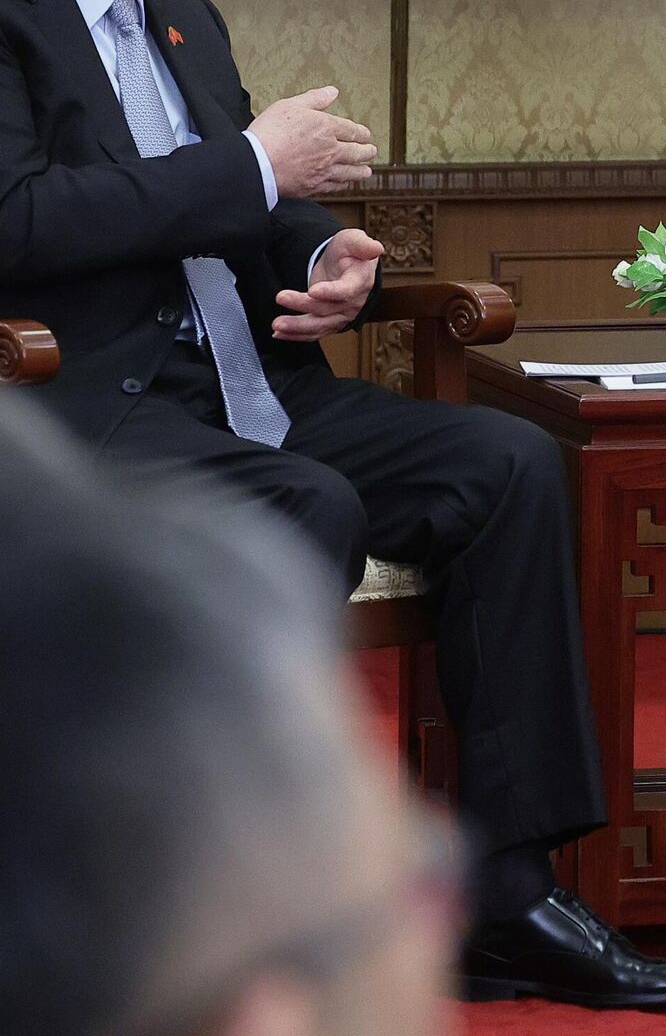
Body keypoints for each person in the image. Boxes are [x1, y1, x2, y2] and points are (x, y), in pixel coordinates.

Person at [0, 0, 666, 1010]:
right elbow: (20, 218)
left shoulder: (181, 18)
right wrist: (248, 165)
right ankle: (226, 910)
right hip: (86, 410)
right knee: (308, 500)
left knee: (508, 467)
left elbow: (242, 203)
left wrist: (322, 247)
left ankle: (507, 893)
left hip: (253, 387)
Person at [0, 395, 458, 1036]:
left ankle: (525, 898)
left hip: (274, 386)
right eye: (429, 883)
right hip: (103, 391)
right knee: (314, 500)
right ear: (264, 1013)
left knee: (507, 459)